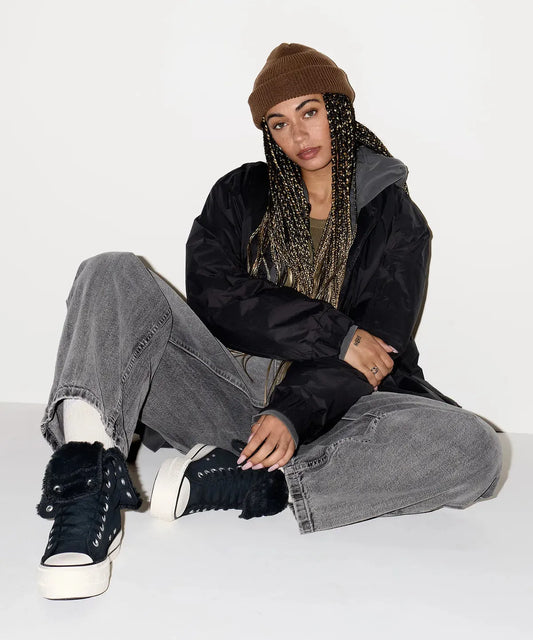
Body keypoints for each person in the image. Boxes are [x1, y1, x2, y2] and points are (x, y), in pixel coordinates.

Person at [36, 43, 502, 600]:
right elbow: (215, 297)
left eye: (310, 112)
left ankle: (252, 480)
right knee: (110, 270)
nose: (298, 135)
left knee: (476, 448)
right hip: (223, 389)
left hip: (339, 411)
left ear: (338, 109)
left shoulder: (397, 221)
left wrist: (292, 412)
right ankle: (87, 485)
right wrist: (336, 334)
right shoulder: (241, 192)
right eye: (279, 123)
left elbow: (378, 353)